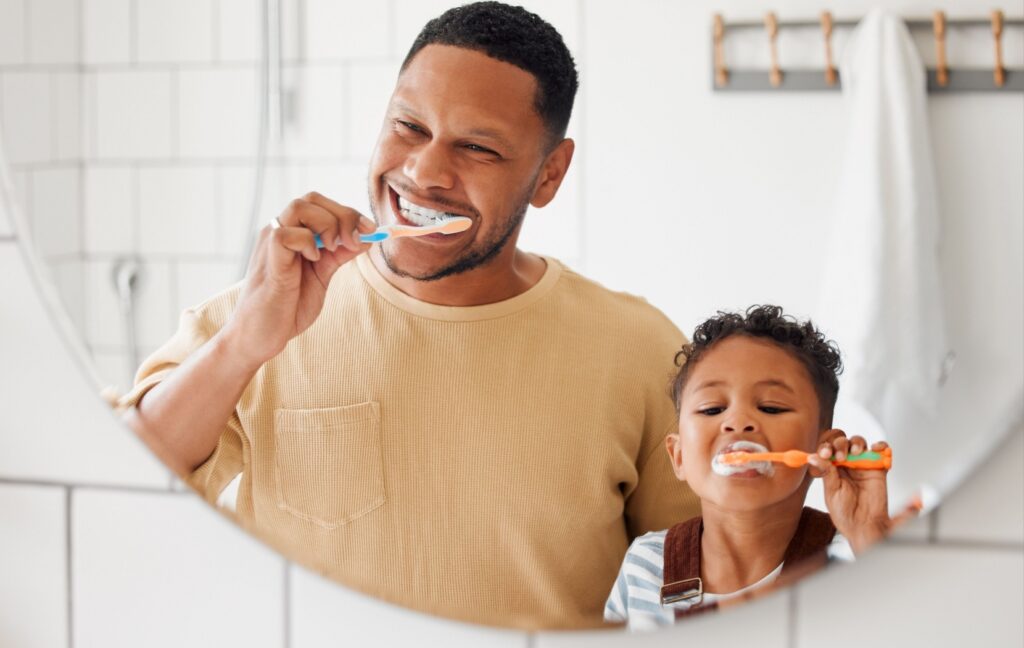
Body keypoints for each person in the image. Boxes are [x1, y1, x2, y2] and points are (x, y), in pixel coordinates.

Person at [118, 2, 698, 630]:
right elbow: (122, 491)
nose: (424, 173)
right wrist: (241, 346)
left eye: (476, 147)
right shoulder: (254, 319)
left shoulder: (639, 350)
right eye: (409, 126)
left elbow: (703, 574)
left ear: (549, 175)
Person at [604, 305, 893, 631]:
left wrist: (871, 533)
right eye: (712, 409)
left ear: (821, 449)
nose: (738, 422)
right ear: (679, 456)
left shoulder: (855, 558)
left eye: (771, 407)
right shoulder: (644, 567)